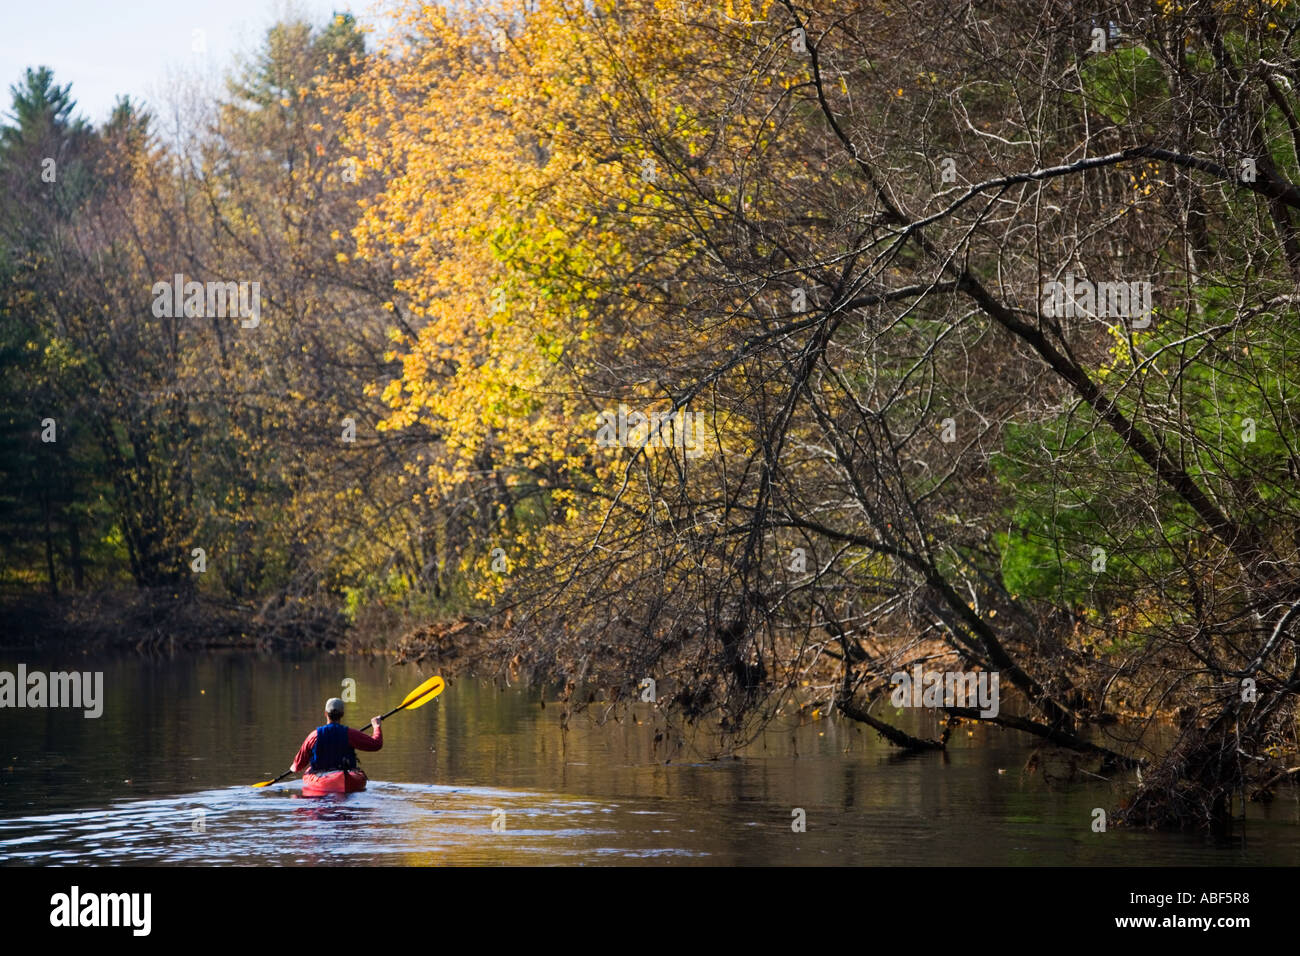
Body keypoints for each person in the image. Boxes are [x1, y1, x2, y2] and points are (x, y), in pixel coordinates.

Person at [291, 697, 382, 775]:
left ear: (325, 713)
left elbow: (297, 766)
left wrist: (294, 767)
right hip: (346, 774)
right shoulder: (350, 734)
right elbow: (376, 744)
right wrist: (376, 726)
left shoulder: (314, 736)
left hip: (320, 776)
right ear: (342, 714)